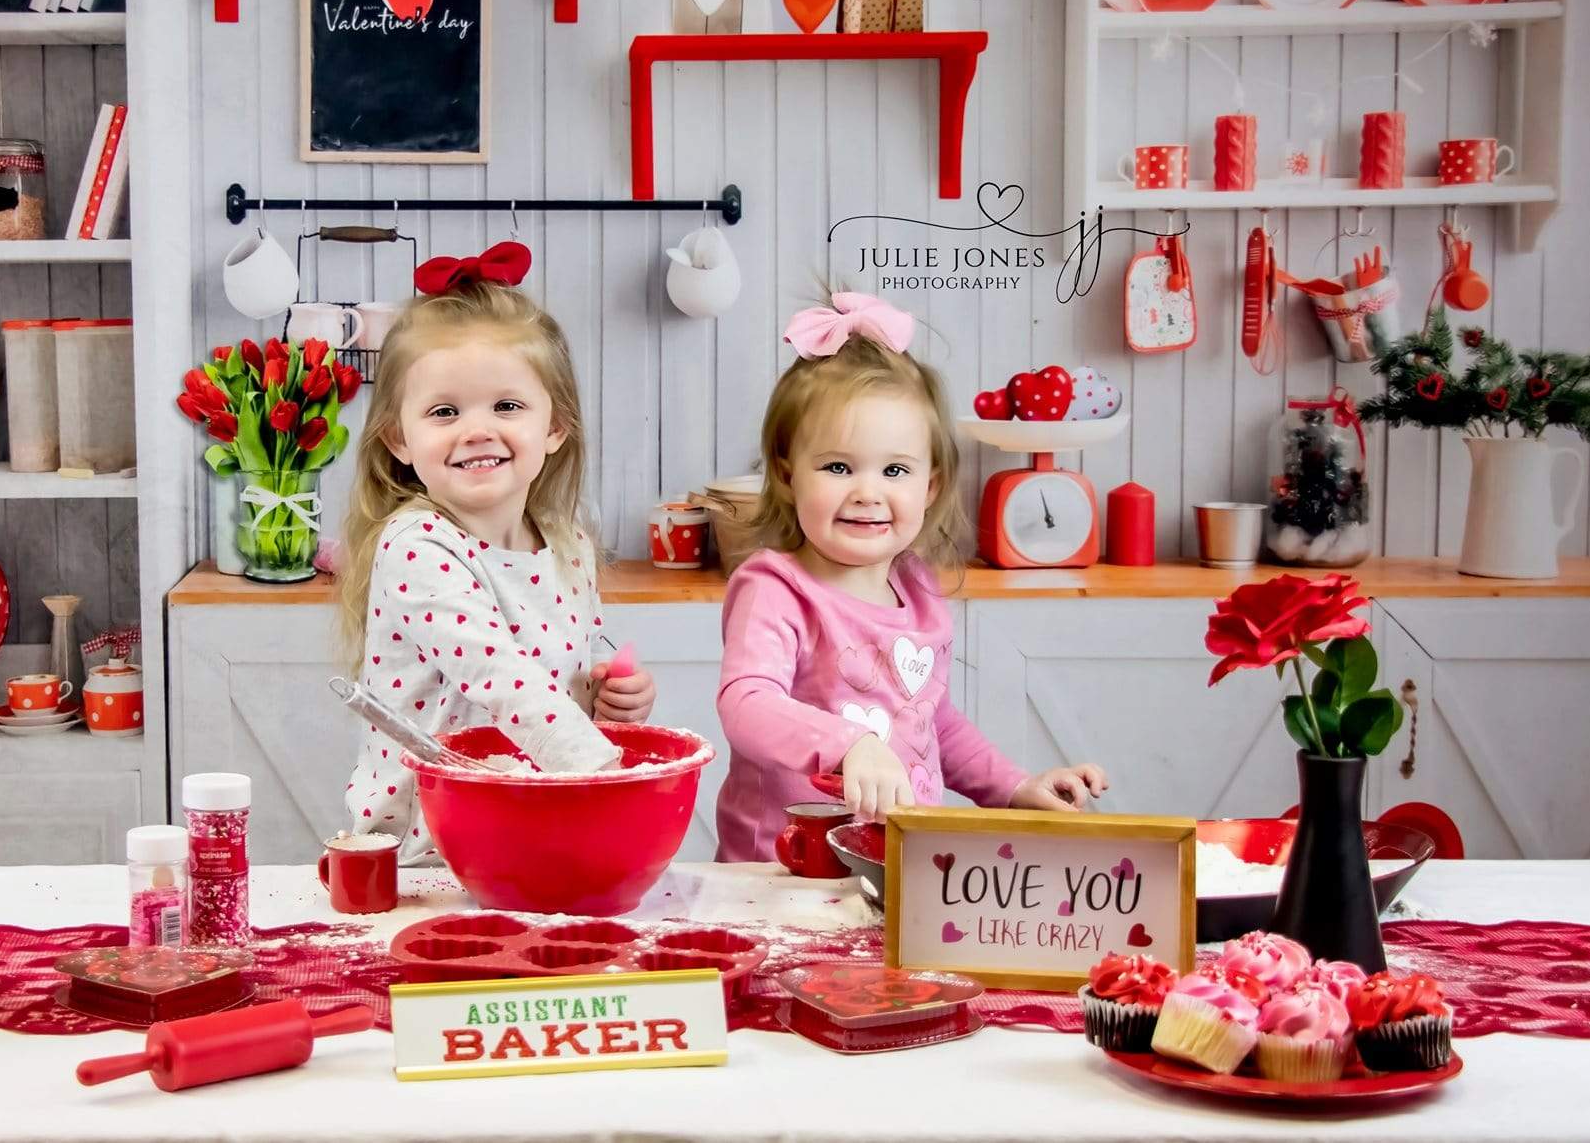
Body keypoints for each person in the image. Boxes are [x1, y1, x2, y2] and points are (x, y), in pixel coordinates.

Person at [714, 291, 1108, 861]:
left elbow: (934, 723)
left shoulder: (917, 589)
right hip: (786, 872)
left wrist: (1015, 789)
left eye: (894, 470)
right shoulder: (775, 588)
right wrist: (850, 746)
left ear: (929, 485)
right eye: (837, 467)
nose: (867, 492)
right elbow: (746, 704)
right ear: (786, 473)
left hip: (901, 863)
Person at [338, 264, 657, 862]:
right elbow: (499, 676)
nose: (477, 430)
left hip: (539, 822)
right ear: (397, 439)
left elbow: (565, 672)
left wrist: (608, 698)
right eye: (444, 413)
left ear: (555, 425)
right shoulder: (417, 546)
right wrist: (603, 770)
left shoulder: (568, 545)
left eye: (507, 405)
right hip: (430, 850)